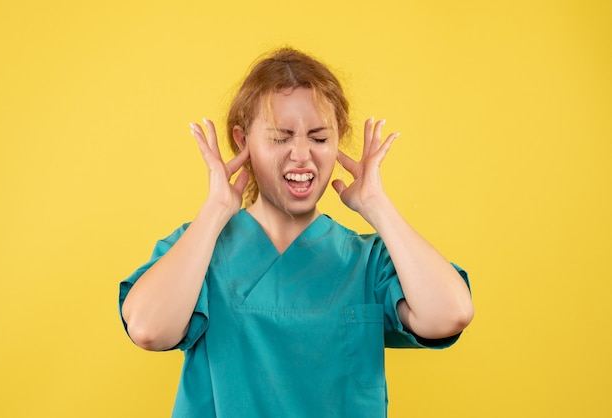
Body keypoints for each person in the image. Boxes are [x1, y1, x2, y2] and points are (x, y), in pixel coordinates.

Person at [119, 47, 474, 418]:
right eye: (280, 137)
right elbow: (147, 329)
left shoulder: (368, 263)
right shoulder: (199, 252)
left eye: (320, 138)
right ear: (243, 142)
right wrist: (216, 211)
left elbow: (451, 313)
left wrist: (377, 206)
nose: (302, 155)